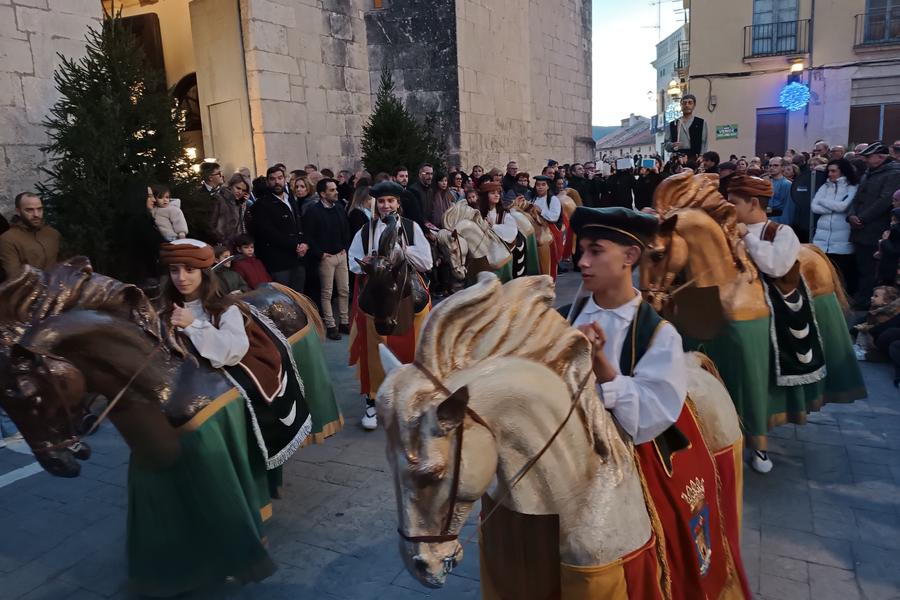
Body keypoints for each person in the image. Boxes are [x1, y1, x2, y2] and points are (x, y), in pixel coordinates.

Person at [564, 206, 750, 599]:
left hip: (634, 447)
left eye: (595, 251)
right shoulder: (571, 314)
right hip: (573, 441)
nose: (581, 261)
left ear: (630, 257)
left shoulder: (658, 333)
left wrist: (604, 370)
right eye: (581, 250)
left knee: (671, 520)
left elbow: (652, 414)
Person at [348, 180, 433, 430]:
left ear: (398, 203)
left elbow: (426, 261)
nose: (386, 205)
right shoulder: (365, 230)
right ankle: (374, 399)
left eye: (390, 201)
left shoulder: (411, 227)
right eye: (381, 201)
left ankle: (414, 394)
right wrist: (366, 261)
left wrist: (400, 251)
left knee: (415, 343)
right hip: (377, 296)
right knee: (374, 348)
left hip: (408, 295)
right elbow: (352, 260)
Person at [849, 143, 900, 309]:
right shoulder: (868, 173)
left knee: (870, 270)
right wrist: (851, 216)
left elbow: (884, 201)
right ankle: (861, 298)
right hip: (859, 229)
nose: (865, 159)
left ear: (881, 157)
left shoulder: (893, 174)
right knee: (861, 266)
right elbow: (857, 198)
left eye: (868, 156)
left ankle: (866, 302)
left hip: (874, 229)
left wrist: (862, 219)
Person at [304, 178, 351, 341]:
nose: (336, 192)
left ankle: (344, 322)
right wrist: (320, 254)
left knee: (344, 290)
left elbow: (346, 228)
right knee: (327, 293)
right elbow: (309, 236)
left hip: (341, 255)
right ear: (322, 194)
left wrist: (345, 247)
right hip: (326, 258)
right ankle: (330, 325)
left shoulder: (339, 208)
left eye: (335, 189)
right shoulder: (313, 211)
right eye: (331, 190)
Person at [250, 165, 308, 292]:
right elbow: (268, 233)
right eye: (272, 179)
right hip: (278, 263)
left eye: (280, 178)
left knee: (299, 298)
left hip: (297, 259)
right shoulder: (262, 205)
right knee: (283, 299)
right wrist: (295, 245)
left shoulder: (290, 198)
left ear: (285, 179)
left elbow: (298, 224)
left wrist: (304, 243)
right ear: (267, 182)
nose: (277, 182)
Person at [811, 158, 859, 294]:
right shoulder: (824, 186)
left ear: (842, 171)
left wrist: (823, 202)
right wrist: (833, 206)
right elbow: (814, 206)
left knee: (841, 274)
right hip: (822, 238)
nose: (830, 174)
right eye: (829, 171)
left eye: (834, 171)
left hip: (841, 240)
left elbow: (843, 206)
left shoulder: (852, 187)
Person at [0, 192, 61, 280]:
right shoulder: (7, 238)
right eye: (29, 210)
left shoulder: (52, 233)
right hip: (27, 291)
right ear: (18, 211)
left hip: (57, 289)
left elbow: (63, 266)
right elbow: (14, 277)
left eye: (39, 209)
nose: (36, 214)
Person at [664, 94, 708, 161]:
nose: (687, 105)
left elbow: (704, 142)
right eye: (684, 103)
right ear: (681, 106)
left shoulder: (701, 123)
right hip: (678, 159)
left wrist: (702, 156)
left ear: (694, 105)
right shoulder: (673, 124)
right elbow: (666, 145)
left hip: (694, 158)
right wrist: (673, 145)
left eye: (690, 103)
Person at [210, 174, 250, 246]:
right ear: (231, 186)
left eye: (244, 190)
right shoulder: (218, 199)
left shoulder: (241, 204)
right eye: (238, 188)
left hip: (237, 245)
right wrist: (221, 241)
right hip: (221, 246)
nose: (240, 192)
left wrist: (244, 205)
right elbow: (211, 224)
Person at [393, 165, 426, 229]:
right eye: (401, 176)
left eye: (406, 176)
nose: (405, 179)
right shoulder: (392, 195)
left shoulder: (414, 193)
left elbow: (419, 215)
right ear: (394, 178)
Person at [766, 157, 794, 226]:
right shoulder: (767, 183)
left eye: (776, 165)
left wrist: (784, 225)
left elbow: (788, 207)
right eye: (770, 165)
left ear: (783, 167)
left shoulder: (787, 184)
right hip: (766, 219)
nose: (772, 168)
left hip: (779, 221)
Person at [408, 164, 434, 231]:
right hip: (417, 229)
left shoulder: (430, 191)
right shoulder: (413, 190)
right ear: (420, 174)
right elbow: (414, 214)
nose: (430, 176)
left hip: (429, 227)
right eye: (427, 174)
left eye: (431, 174)